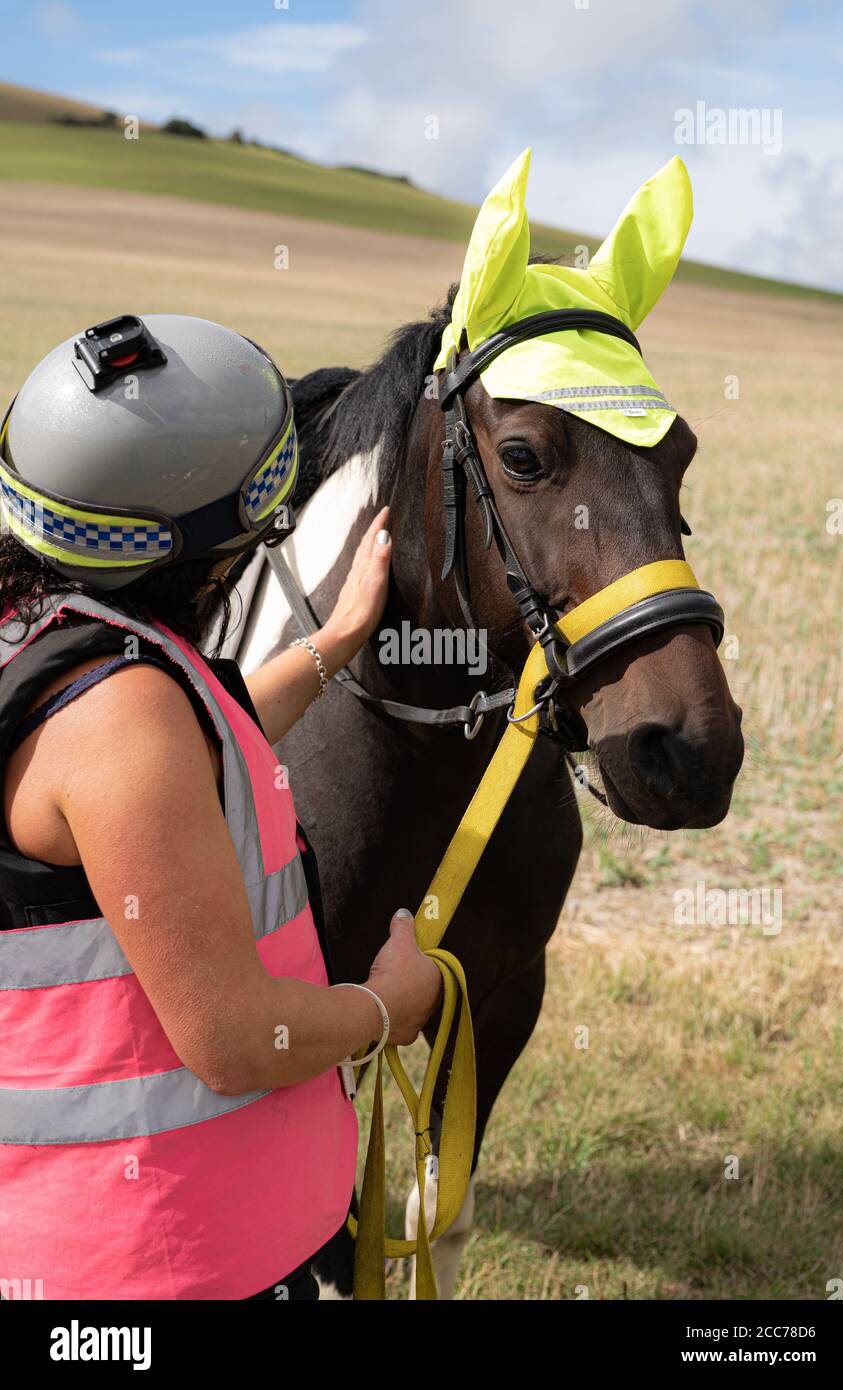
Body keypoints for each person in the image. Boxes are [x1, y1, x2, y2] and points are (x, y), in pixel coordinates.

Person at [0, 313, 442, 1301]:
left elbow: (199, 747)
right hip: (153, 1264)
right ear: (213, 555)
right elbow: (235, 1039)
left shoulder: (48, 640)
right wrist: (385, 1009)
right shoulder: (122, 717)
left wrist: (338, 637)